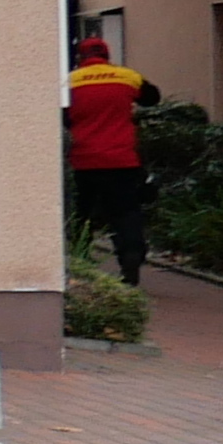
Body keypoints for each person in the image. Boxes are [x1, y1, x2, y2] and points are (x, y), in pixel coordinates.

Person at [66, 33, 154, 285]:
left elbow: (62, 116)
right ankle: (130, 258)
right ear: (106, 56)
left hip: (85, 161)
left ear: (81, 57)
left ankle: (79, 263)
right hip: (122, 160)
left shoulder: (70, 82)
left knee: (83, 215)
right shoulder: (126, 76)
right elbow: (152, 98)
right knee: (126, 212)